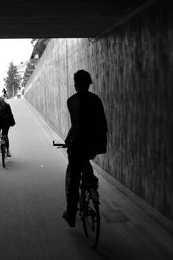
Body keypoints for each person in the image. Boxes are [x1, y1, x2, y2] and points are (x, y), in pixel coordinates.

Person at [62, 69, 108, 228]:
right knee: (85, 160)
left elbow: (76, 127)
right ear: (89, 84)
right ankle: (91, 182)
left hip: (79, 144)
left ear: (75, 85)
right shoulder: (96, 99)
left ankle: (71, 215)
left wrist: (67, 140)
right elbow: (102, 123)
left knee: (73, 180)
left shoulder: (72, 100)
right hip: (95, 144)